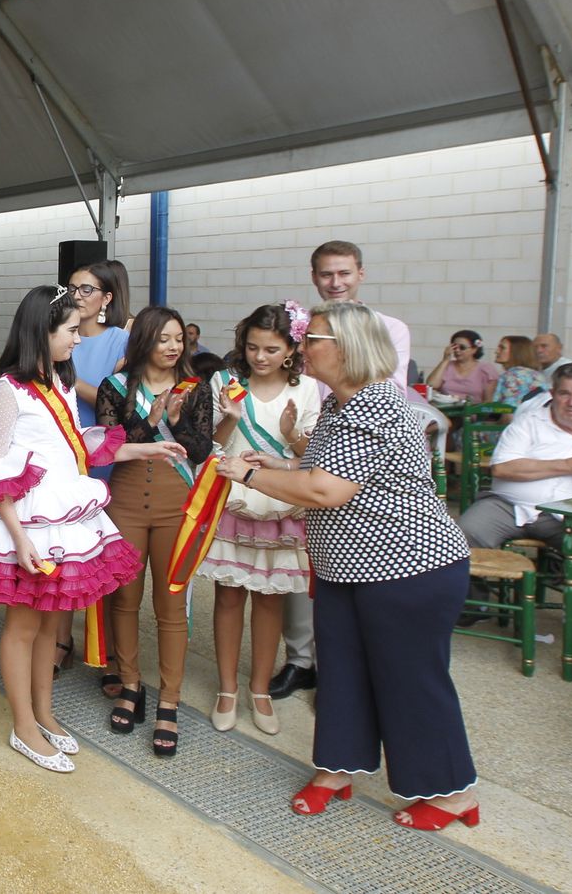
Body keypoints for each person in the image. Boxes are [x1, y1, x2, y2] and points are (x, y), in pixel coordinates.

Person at [217, 302, 479, 831]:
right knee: (342, 674)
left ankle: (452, 792)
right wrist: (282, 463)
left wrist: (247, 476)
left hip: (407, 568)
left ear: (346, 347)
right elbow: (328, 466)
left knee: (411, 680)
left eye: (310, 339)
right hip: (348, 568)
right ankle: (338, 767)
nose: (301, 347)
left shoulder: (375, 404)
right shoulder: (341, 402)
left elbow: (325, 490)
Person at [0, 286, 180, 773]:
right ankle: (23, 724)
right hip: (29, 522)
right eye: (71, 330)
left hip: (62, 514)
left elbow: (76, 446)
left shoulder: (61, 381)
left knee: (52, 621)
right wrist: (19, 538)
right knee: (23, 625)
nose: (78, 338)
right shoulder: (9, 389)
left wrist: (146, 448)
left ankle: (44, 712)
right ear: (41, 331)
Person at [272, 239, 412, 702]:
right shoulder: (309, 336)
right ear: (314, 277)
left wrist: (252, 474)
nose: (335, 282)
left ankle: (343, 675)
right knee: (306, 561)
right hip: (309, 445)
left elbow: (381, 389)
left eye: (344, 273)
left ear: (360, 274)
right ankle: (302, 660)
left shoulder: (385, 342)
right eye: (326, 274)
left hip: (358, 479)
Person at [197, 303, 321, 736]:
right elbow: (209, 444)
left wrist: (290, 435)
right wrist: (230, 419)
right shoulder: (226, 382)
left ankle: (261, 689)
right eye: (252, 347)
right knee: (228, 597)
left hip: (280, 501)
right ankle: (227, 689)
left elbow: (311, 455)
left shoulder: (307, 388)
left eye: (271, 349)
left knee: (270, 600)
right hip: (232, 498)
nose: (260, 357)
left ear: (290, 349)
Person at [97, 305, 215, 757]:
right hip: (126, 502)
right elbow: (109, 445)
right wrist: (151, 419)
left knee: (171, 606)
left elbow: (199, 450)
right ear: (144, 340)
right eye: (164, 338)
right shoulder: (115, 387)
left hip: (174, 505)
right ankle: (130, 684)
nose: (173, 347)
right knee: (124, 599)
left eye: (178, 339)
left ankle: (169, 700)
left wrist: (178, 420)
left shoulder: (195, 388)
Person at [64, 260, 131, 690]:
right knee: (62, 552)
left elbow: (121, 401)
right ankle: (61, 639)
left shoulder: (122, 340)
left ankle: (107, 651)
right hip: (64, 457)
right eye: (71, 288)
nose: (77, 296)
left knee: (104, 558)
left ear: (107, 297)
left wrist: (68, 378)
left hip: (106, 458)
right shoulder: (59, 332)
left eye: (86, 290)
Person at [457, 362, 572, 550]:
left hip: (568, 516)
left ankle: (558, 568)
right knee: (464, 533)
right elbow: (502, 468)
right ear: (552, 394)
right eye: (565, 394)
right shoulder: (528, 422)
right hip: (509, 506)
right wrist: (569, 465)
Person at [426, 330, 499, 403]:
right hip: (445, 408)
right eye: (454, 347)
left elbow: (488, 401)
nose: (457, 350)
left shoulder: (486, 369)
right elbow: (431, 385)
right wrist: (445, 360)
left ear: (474, 349)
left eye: (462, 347)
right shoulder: (447, 366)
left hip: (473, 409)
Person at [492, 335, 547, 405]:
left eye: (502, 348)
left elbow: (507, 407)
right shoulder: (538, 375)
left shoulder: (510, 376)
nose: (496, 351)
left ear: (516, 351)